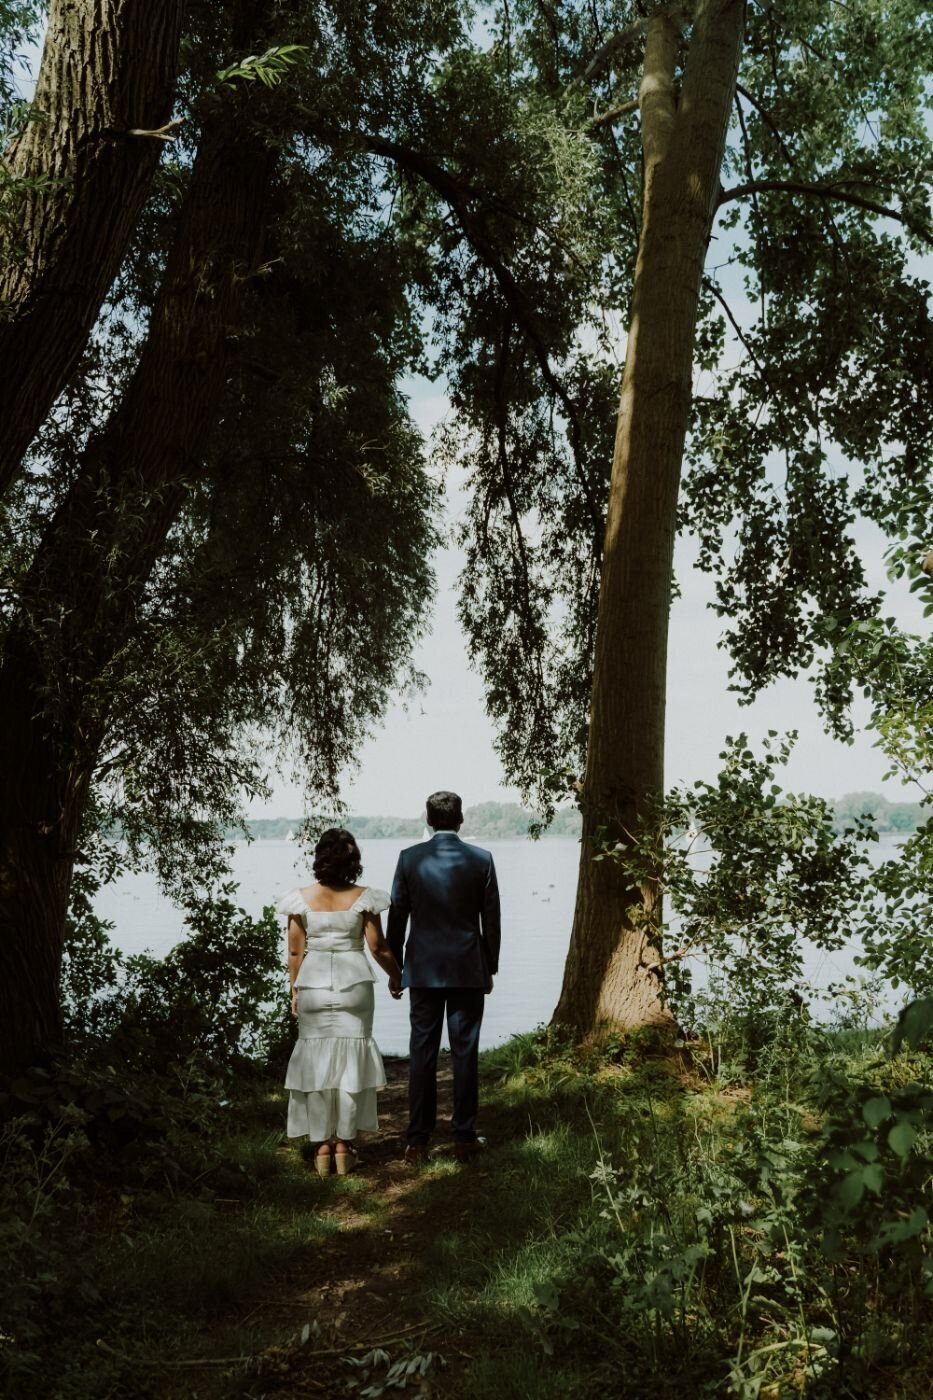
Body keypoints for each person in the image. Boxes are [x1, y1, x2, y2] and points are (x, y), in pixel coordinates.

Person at [277, 827, 402, 1177]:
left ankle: (321, 1149)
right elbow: (378, 947)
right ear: (353, 861)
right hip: (355, 985)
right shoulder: (364, 898)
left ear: (320, 859)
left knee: (315, 1059)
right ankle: (345, 1146)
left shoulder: (300, 899)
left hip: (314, 983)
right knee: (349, 1062)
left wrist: (295, 988)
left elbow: (294, 949)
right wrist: (397, 974)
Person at [387, 791, 501, 1163]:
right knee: (465, 1051)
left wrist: (395, 969)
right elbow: (492, 920)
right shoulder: (481, 859)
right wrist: (490, 966)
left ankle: (417, 1141)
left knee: (422, 1053)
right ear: (461, 819)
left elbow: (397, 917)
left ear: (428, 819)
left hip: (422, 970)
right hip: (468, 968)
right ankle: (464, 1136)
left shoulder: (409, 859)